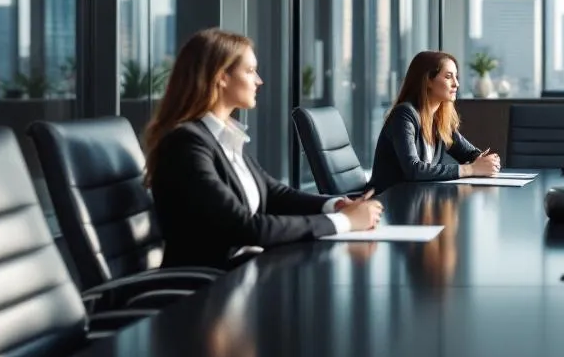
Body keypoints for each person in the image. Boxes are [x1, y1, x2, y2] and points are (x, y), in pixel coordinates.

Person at [145, 28, 382, 269]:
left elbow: (274, 195)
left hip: (243, 273)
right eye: (249, 71)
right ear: (221, 77)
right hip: (207, 289)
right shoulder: (185, 145)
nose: (259, 80)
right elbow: (244, 228)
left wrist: (335, 204)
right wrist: (343, 221)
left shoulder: (223, 137)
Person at [369, 50, 501, 192]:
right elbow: (413, 169)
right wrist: (471, 169)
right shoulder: (404, 115)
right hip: (387, 203)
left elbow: (470, 153)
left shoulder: (439, 119)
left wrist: (487, 161)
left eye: (456, 77)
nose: (456, 84)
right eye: (448, 77)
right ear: (428, 81)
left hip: (417, 199)